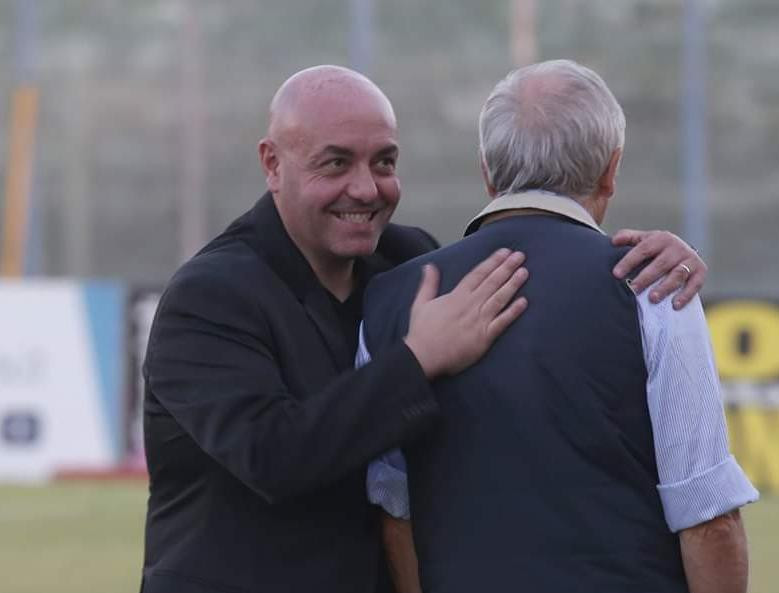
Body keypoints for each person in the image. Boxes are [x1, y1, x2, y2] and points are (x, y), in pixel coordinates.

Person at [140, 65, 707, 593]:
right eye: (335, 163)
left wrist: (655, 259)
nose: (366, 189)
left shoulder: (409, 262)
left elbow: (540, 277)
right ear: (272, 163)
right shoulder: (208, 297)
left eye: (384, 163)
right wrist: (417, 359)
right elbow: (273, 456)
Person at [362, 60, 757, 593]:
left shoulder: (388, 301)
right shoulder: (656, 289)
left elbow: (394, 513)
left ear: (487, 171)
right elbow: (709, 519)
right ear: (611, 169)